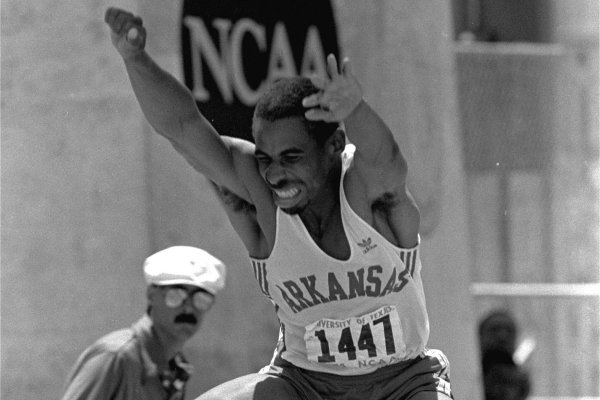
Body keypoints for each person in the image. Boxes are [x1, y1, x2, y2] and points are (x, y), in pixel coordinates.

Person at [105, 6, 453, 400]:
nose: (275, 176)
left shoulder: (365, 197)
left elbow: (388, 161)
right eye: (267, 159)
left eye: (292, 158)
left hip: (400, 382)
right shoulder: (261, 198)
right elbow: (183, 127)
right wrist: (135, 59)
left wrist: (355, 109)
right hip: (304, 383)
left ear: (334, 147)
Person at [61, 246, 226, 400]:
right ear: (152, 295)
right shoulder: (116, 357)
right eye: (176, 295)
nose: (188, 309)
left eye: (201, 299)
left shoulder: (176, 368)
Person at [478, 310, 531, 400]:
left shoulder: (519, 379)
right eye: (494, 330)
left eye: (509, 331)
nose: (502, 336)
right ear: (480, 335)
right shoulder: (467, 371)